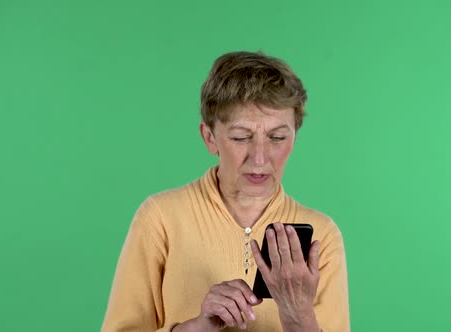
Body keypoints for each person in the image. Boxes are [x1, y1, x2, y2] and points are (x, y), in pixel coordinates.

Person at [101, 51, 350, 332]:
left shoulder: (322, 235)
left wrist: (298, 316)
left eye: (277, 137)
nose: (259, 158)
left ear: (294, 138)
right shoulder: (160, 218)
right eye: (241, 137)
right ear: (210, 138)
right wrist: (198, 327)